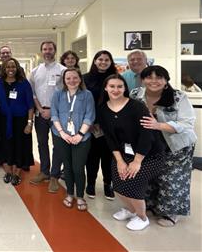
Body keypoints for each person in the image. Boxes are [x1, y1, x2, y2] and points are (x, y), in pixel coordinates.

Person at [131, 66, 197, 227]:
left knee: (172, 178)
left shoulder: (178, 97)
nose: (154, 81)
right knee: (150, 175)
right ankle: (152, 205)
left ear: (166, 80)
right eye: (149, 77)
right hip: (149, 144)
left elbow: (187, 123)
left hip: (176, 144)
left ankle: (170, 213)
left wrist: (159, 125)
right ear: (142, 79)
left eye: (159, 77)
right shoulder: (135, 95)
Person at [99, 74, 166, 231]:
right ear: (106, 88)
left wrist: (137, 162)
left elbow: (147, 135)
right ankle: (131, 210)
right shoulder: (103, 109)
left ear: (125, 88)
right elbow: (109, 137)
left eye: (119, 86)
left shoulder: (136, 106)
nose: (116, 90)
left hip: (149, 155)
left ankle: (142, 218)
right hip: (123, 154)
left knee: (133, 184)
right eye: (112, 86)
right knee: (118, 184)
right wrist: (120, 161)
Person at [51, 69, 94, 212]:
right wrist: (62, 133)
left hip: (81, 137)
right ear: (64, 80)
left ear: (80, 79)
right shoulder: (58, 94)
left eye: (75, 78)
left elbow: (89, 115)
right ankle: (70, 193)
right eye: (68, 78)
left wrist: (80, 134)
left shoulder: (87, 95)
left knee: (78, 167)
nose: (71, 81)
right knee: (67, 167)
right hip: (61, 136)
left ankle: (80, 196)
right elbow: (54, 115)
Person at [29, 41, 66, 193]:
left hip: (57, 114)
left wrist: (53, 111)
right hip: (40, 113)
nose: (47, 51)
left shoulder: (63, 70)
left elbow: (66, 93)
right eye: (45, 49)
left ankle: (54, 176)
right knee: (42, 143)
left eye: (50, 49)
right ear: (41, 51)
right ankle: (44, 171)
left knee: (58, 145)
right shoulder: (35, 71)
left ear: (55, 51)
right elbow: (32, 94)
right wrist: (39, 109)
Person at [83, 50, 117, 200]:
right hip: (91, 124)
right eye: (100, 59)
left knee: (109, 156)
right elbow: (81, 102)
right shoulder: (85, 79)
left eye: (106, 60)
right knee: (92, 156)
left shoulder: (116, 79)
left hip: (111, 125)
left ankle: (107, 184)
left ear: (110, 62)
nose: (103, 62)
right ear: (95, 61)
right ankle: (90, 184)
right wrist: (87, 122)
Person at [0, 58, 34, 186]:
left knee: (20, 146)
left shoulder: (24, 83)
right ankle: (8, 171)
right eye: (8, 67)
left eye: (13, 67)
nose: (10, 69)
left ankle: (17, 173)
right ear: (4, 69)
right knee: (5, 145)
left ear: (17, 68)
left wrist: (29, 123)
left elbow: (30, 105)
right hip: (3, 120)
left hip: (20, 121)